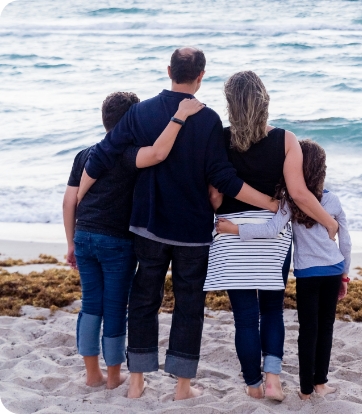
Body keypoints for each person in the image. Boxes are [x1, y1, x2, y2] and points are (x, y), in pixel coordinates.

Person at [79, 47, 279, 401]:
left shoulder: (140, 112)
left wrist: (79, 196)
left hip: (148, 225)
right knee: (189, 306)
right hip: (192, 231)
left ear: (169, 70)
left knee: (144, 301)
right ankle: (182, 388)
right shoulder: (208, 119)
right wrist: (270, 203)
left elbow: (104, 154)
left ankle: (136, 382)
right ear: (201, 76)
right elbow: (223, 177)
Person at [203, 71, 339, 401]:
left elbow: (214, 198)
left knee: (245, 318)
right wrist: (328, 223)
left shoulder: (219, 139)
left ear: (230, 104)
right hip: (272, 235)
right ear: (264, 100)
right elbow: (299, 194)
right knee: (272, 310)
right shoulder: (286, 139)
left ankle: (253, 385)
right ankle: (274, 379)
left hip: (231, 235)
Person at [63, 92, 204, 389]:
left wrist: (71, 243)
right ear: (134, 120)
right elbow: (158, 153)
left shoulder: (85, 154)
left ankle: (92, 374)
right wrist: (180, 116)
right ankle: (114, 377)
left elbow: (69, 201)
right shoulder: (128, 155)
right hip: (116, 242)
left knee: (91, 305)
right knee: (115, 308)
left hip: (84, 236)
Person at [216, 139, 351, 400]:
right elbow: (345, 241)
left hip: (307, 274)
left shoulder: (290, 202)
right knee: (326, 328)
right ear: (322, 170)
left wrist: (234, 229)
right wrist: (344, 274)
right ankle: (320, 383)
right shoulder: (332, 200)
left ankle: (305, 391)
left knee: (308, 329)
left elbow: (270, 230)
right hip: (334, 270)